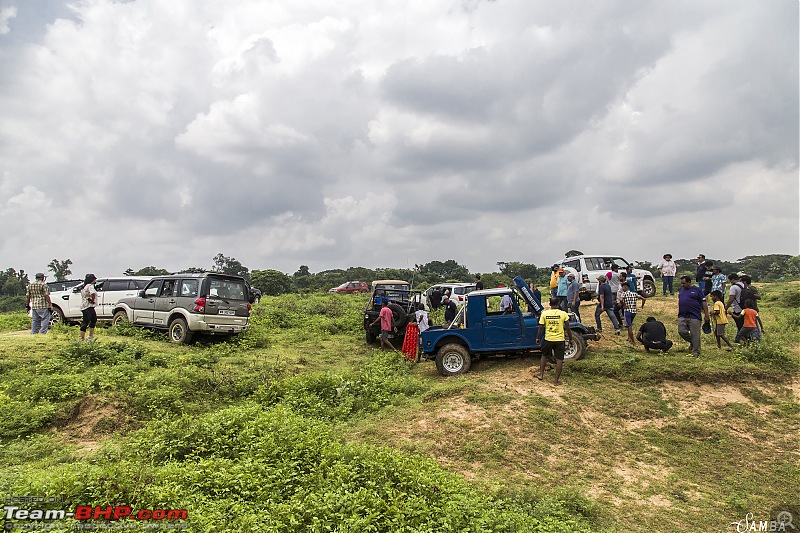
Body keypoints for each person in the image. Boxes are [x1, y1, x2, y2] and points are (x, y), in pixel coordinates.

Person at [535, 297, 573, 386]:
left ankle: (541, 375)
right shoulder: (563, 314)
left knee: (544, 356)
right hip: (560, 339)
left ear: (549, 304)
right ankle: (556, 381)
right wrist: (570, 339)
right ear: (559, 303)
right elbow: (568, 328)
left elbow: (541, 327)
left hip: (548, 339)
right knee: (559, 359)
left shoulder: (544, 314)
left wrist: (538, 337)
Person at [677, 275, 711, 357]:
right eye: (681, 283)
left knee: (695, 334)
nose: (682, 285)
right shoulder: (682, 290)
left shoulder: (697, 290)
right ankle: (693, 342)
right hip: (682, 315)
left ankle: (696, 351)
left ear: (689, 282)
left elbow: (704, 302)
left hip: (694, 315)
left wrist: (706, 315)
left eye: (684, 283)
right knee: (681, 331)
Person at [79, 274, 99, 342]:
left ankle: (90, 336)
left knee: (93, 319)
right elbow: (93, 293)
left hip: (87, 306)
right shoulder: (89, 286)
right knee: (86, 322)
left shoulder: (84, 286)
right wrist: (92, 301)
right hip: (88, 306)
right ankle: (82, 338)